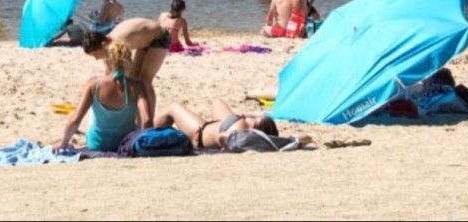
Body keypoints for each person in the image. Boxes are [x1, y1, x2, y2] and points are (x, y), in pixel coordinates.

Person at [53, 39, 150, 153]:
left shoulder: (94, 84)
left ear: (107, 60)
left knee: (94, 106)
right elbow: (146, 120)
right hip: (126, 142)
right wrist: (142, 143)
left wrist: (63, 143)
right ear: (129, 60)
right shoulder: (138, 86)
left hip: (97, 144)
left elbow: (76, 119)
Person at [154, 97, 293, 150]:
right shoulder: (243, 128)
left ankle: (145, 132)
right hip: (212, 126)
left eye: (253, 119)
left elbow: (223, 138)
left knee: (173, 108)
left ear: (253, 129)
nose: (250, 117)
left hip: (199, 133)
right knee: (217, 101)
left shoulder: (240, 133)